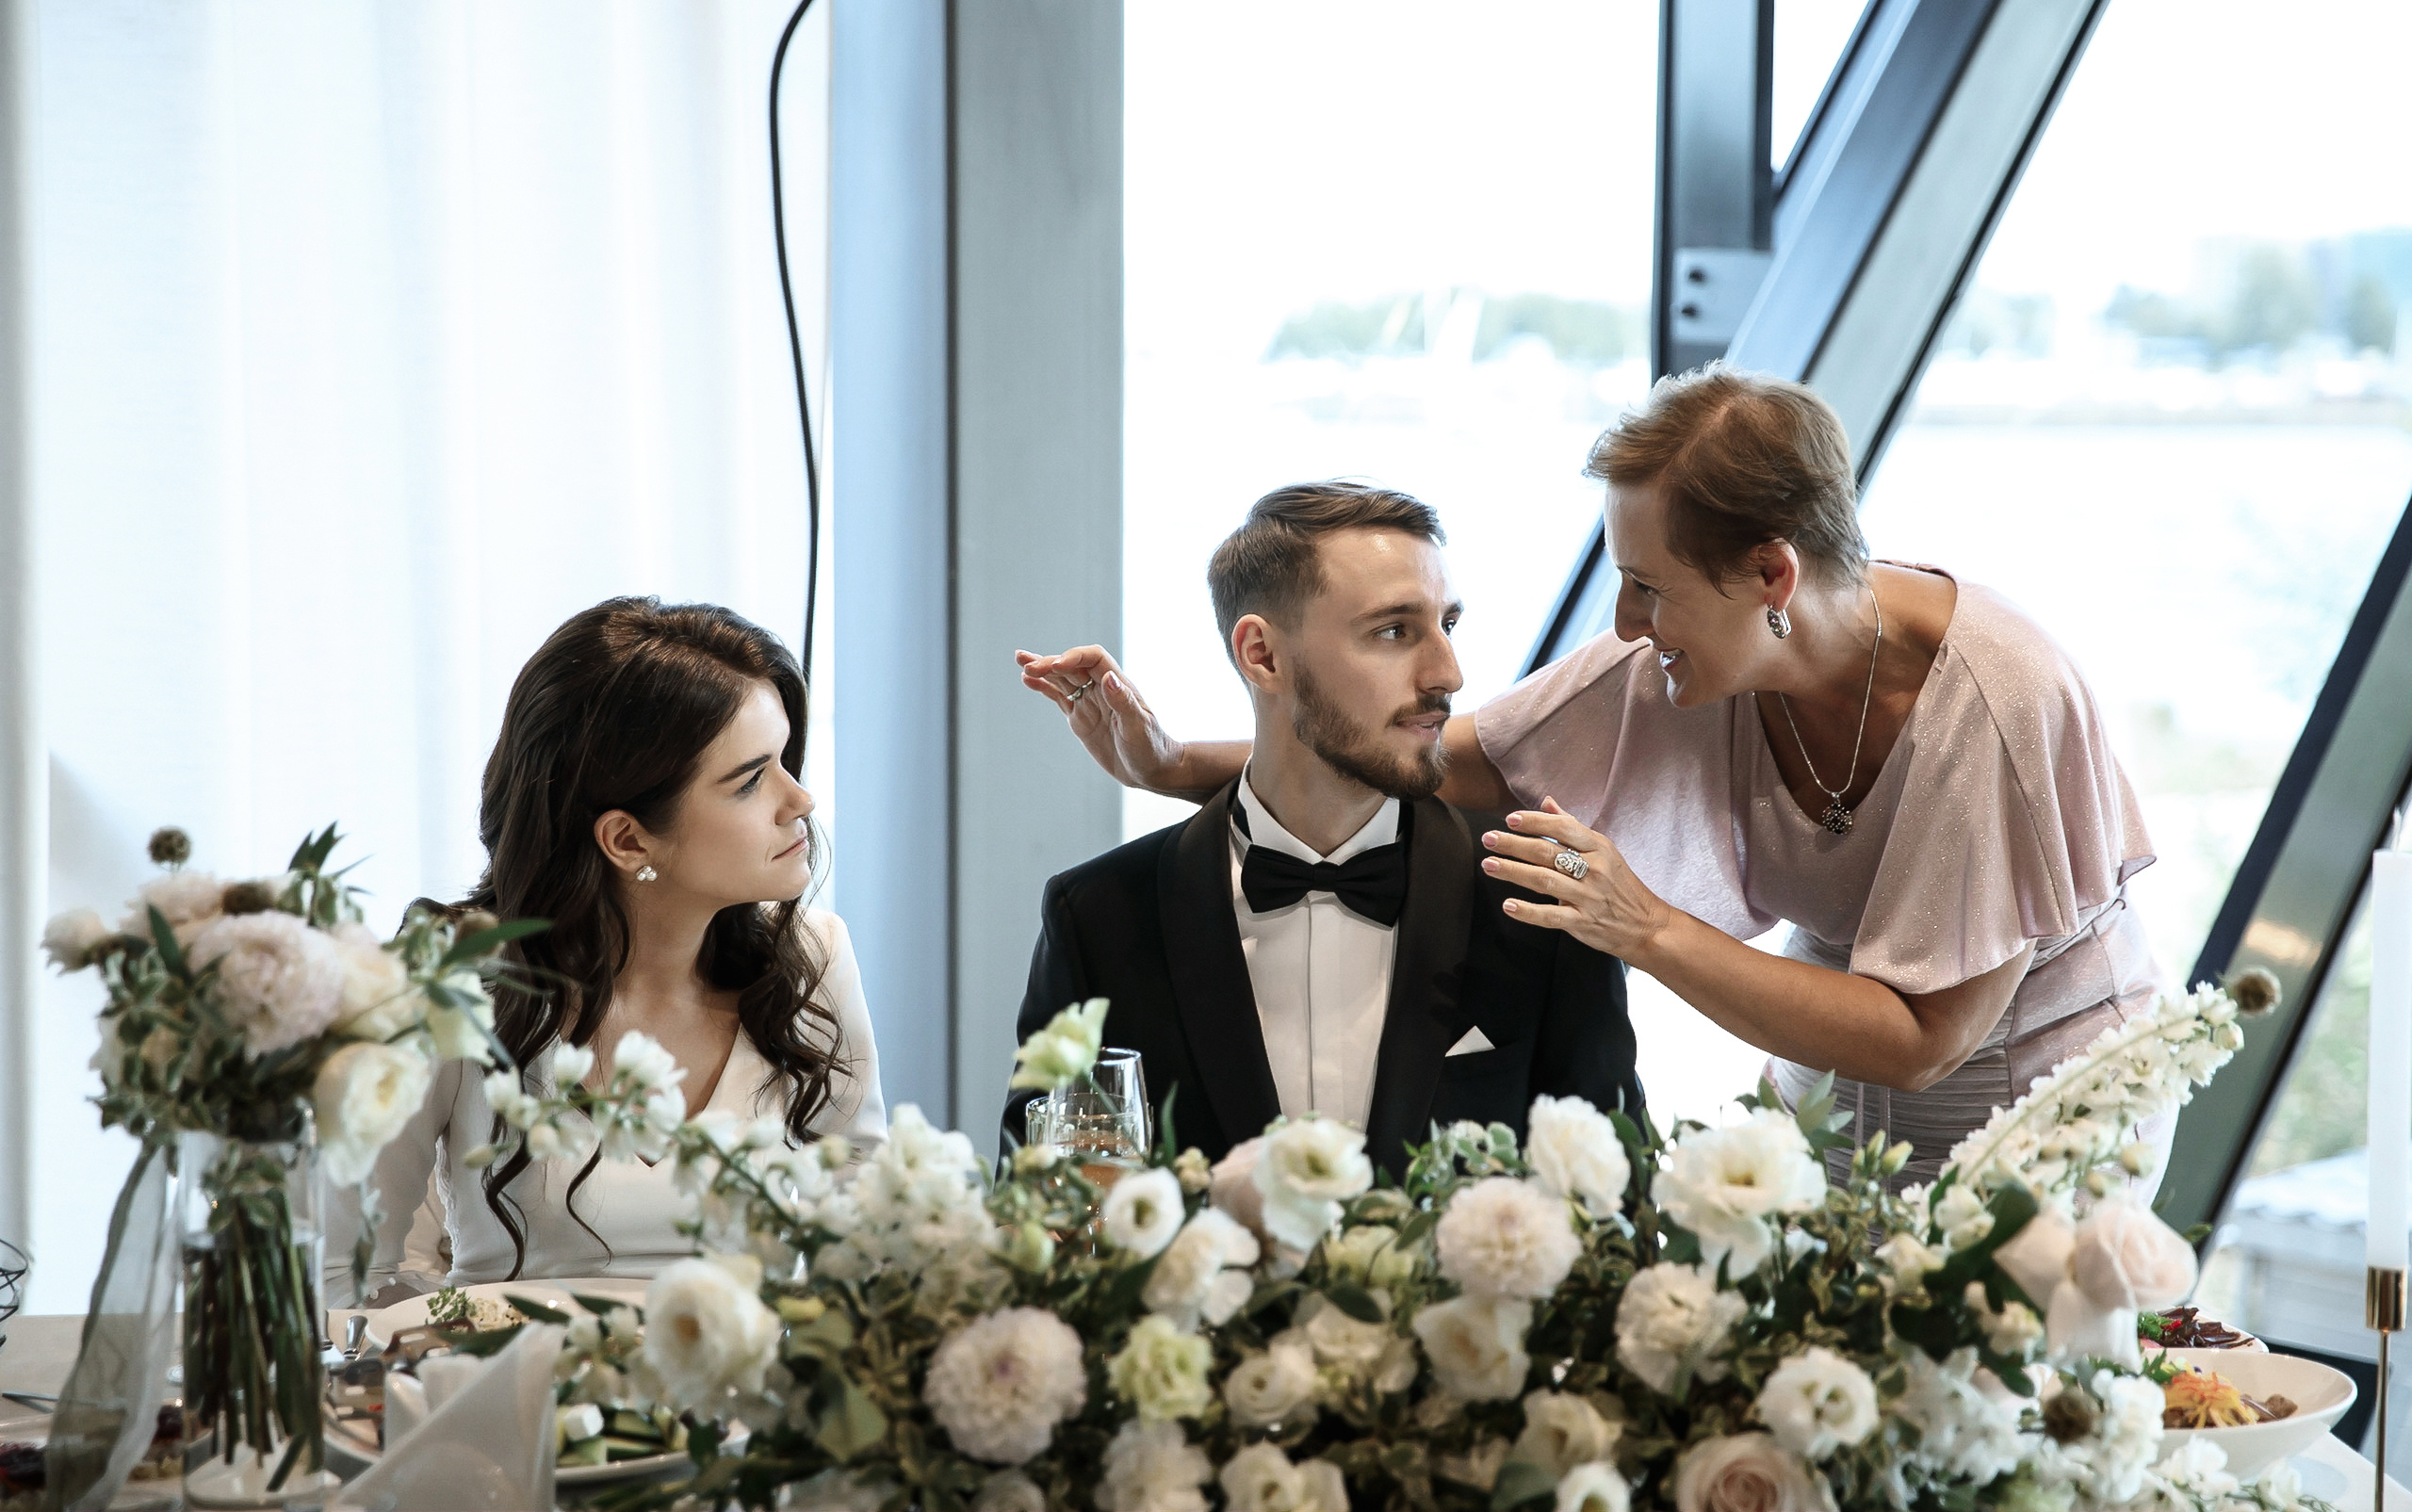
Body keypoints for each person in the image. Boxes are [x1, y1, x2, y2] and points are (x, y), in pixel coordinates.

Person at [1022, 366, 2168, 1187]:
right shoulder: (1684, 659)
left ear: (1770, 573)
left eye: (1649, 585)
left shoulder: (2004, 704)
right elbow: (1441, 759)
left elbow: (1923, 1040)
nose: (1624, 620)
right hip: (1829, 1086)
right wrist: (1173, 764)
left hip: (2039, 1088)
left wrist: (1641, 926)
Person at [1005, 483, 1641, 1180]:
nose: (1447, 673)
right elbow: (1045, 1222)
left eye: (1447, 625)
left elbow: (1618, 1209)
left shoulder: (1541, 906)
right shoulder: (1098, 918)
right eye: (1394, 631)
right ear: (1263, 656)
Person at [361, 598, 885, 1298]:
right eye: (752, 779)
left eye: (786, 759)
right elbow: (348, 1272)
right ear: (628, 839)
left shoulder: (811, 956)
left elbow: (872, 1246)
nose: (801, 800)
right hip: (514, 1396)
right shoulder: (451, 977)